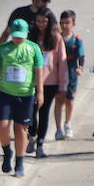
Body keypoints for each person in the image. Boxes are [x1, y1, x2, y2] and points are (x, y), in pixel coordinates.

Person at [0, 18, 45, 178]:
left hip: (26, 94)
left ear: (27, 34)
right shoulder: (3, 49)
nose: (17, 39)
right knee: (2, 127)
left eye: (21, 35)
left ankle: (19, 163)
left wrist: (40, 92)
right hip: (6, 92)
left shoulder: (33, 48)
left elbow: (39, 70)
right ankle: (7, 151)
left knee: (20, 129)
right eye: (15, 35)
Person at [31, 11, 67, 159]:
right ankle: (31, 136)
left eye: (44, 21)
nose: (41, 24)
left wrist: (61, 83)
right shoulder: (31, 37)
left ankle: (40, 144)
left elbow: (62, 62)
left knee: (44, 112)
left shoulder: (56, 38)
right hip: (31, 82)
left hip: (50, 82)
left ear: (49, 22)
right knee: (30, 112)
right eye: (38, 21)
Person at [55, 10, 85, 140]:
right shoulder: (56, 38)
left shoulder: (77, 39)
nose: (64, 25)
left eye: (67, 23)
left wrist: (80, 67)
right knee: (59, 99)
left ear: (73, 23)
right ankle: (58, 129)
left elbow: (81, 55)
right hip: (58, 73)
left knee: (69, 100)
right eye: (62, 23)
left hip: (71, 72)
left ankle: (67, 124)